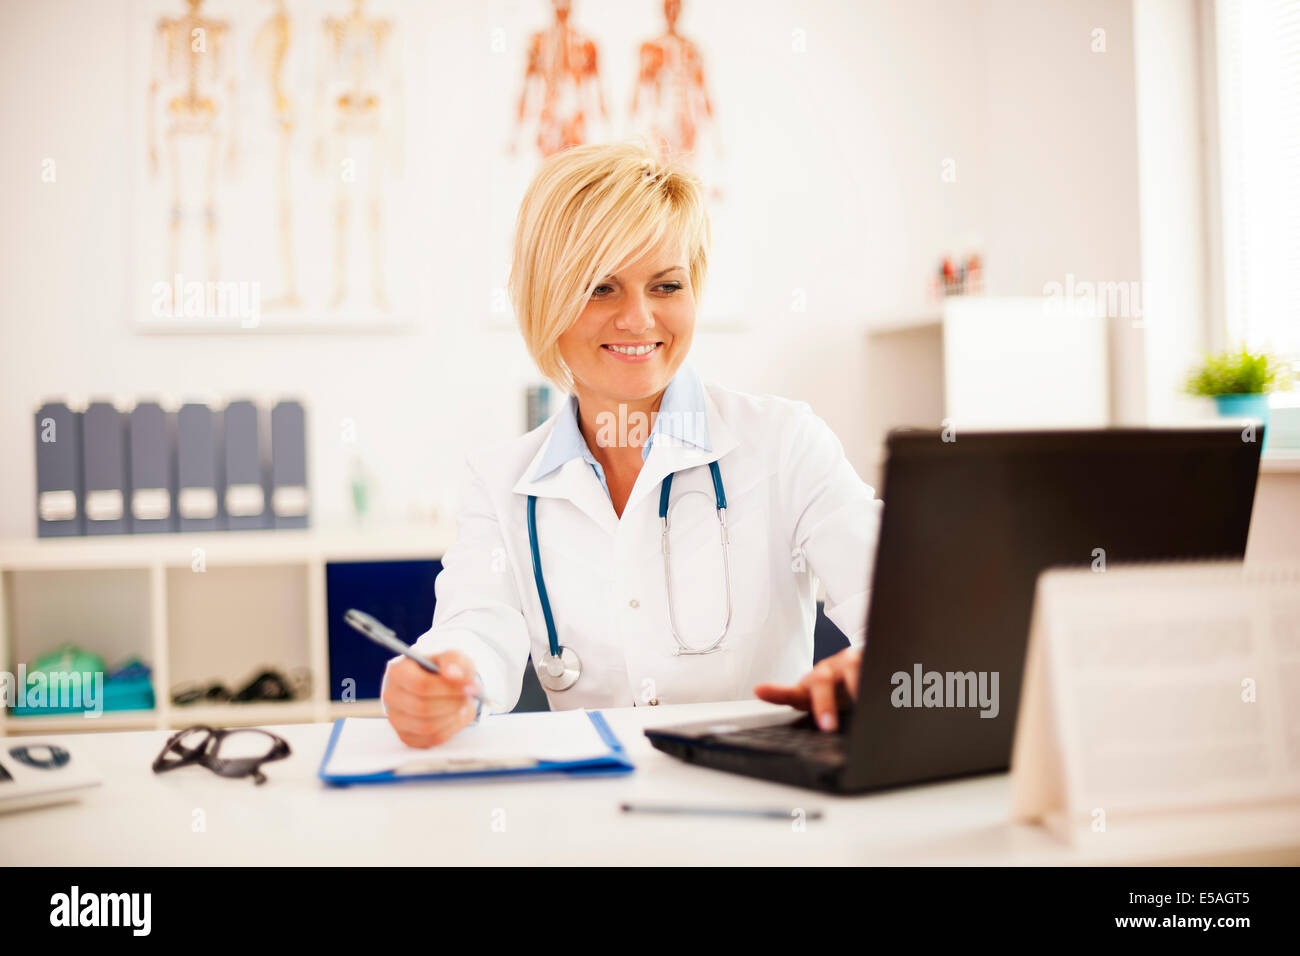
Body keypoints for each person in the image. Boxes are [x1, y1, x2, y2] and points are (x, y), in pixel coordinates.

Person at [382, 140, 880, 747]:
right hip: (594, 816)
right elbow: (477, 625)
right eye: (601, 289)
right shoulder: (501, 480)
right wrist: (447, 678)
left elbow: (899, 598)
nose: (640, 319)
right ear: (547, 301)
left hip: (758, 807)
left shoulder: (784, 444)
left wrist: (880, 665)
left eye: (666, 287)